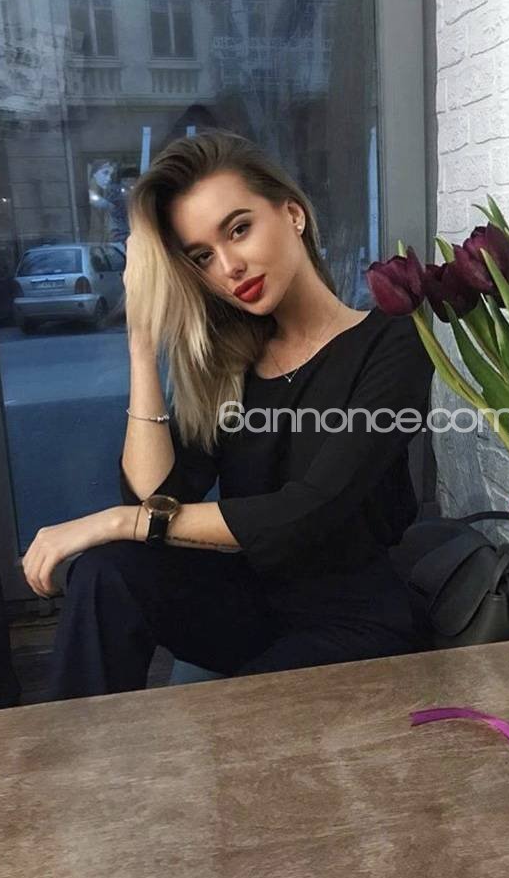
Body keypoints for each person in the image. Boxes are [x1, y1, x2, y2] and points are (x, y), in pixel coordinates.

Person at [24, 129, 435, 700]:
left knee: (236, 709)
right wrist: (141, 340)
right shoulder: (231, 363)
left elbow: (309, 512)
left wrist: (111, 523)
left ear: (292, 213)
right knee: (109, 571)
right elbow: (156, 499)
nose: (229, 267)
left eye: (239, 229)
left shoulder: (393, 341)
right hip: (250, 599)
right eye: (202, 257)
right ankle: (73, 752)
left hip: (353, 617)